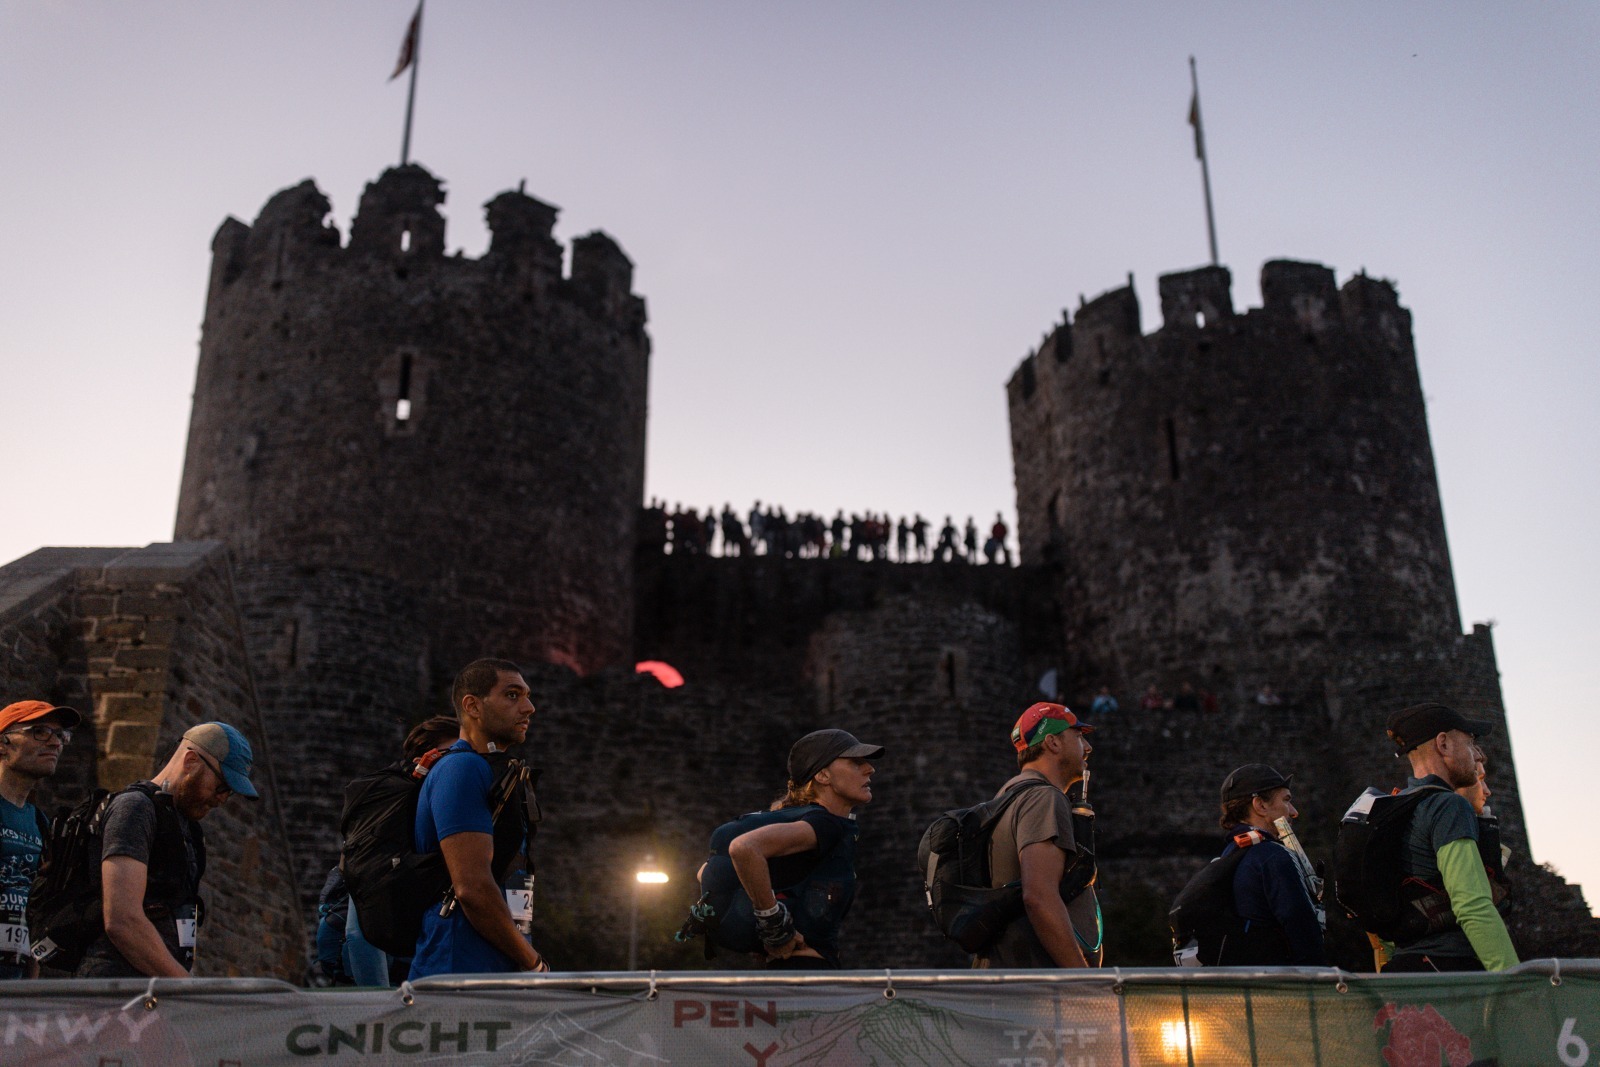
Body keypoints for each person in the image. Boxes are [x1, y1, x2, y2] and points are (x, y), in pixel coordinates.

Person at [77, 721, 258, 977]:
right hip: (117, 991)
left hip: (155, 990)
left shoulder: (186, 827)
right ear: (192, 761)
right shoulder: (135, 809)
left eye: (229, 793)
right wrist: (184, 986)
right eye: (222, 786)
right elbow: (122, 920)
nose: (222, 799)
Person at [409, 659, 547, 978]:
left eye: (527, 695)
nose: (529, 707)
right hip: (458, 971)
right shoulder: (463, 769)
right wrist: (534, 964)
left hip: (494, 971)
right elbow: (472, 887)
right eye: (512, 695)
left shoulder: (493, 774)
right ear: (472, 705)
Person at [725, 729, 882, 969]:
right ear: (822, 775)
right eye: (855, 763)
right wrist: (774, 927)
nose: (869, 769)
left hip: (787, 974)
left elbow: (707, 870)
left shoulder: (798, 822)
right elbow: (743, 848)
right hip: (808, 976)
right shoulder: (826, 824)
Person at [1380, 702, 1517, 972]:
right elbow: (1472, 905)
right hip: (1451, 969)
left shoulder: (1396, 807)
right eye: (1468, 743)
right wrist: (1515, 984)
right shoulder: (1448, 806)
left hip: (1405, 971)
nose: (1475, 753)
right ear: (1443, 744)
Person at [975, 703, 1101, 969]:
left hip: (1010, 976)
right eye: (1078, 737)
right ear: (1053, 742)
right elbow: (1039, 896)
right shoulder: (1043, 799)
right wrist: (1085, 981)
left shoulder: (1006, 797)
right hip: (1037, 987)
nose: (1087, 748)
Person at [1212, 764, 1325, 965]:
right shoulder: (1273, 856)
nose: (1294, 812)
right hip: (1281, 989)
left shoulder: (1229, 855)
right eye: (1286, 800)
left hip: (1244, 987)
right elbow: (1304, 934)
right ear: (1260, 805)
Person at [0, 700, 80, 979]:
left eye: (59, 735)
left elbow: (36, 915)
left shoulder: (41, 824)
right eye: (40, 731)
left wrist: (29, 988)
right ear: (3, 744)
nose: (55, 742)